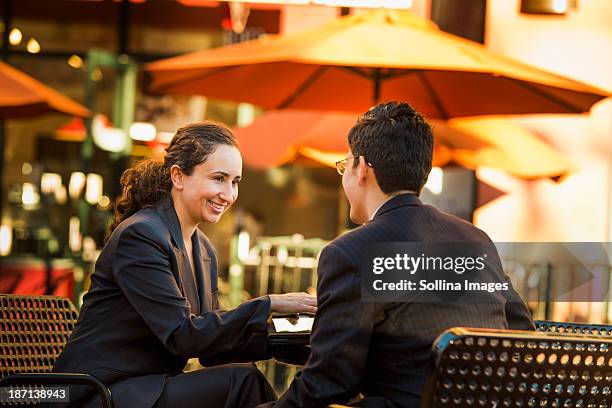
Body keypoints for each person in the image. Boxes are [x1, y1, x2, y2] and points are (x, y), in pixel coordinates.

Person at [260, 102, 534, 408]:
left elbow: (330, 382)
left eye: (344, 165)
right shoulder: (475, 240)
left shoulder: (350, 252)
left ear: (362, 169)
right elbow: (521, 329)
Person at [52, 122, 317, 408]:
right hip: (94, 394)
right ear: (178, 176)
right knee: (240, 382)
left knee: (243, 379)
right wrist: (268, 303)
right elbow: (182, 336)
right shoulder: (140, 235)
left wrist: (291, 336)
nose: (228, 195)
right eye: (218, 179)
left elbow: (211, 346)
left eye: (235, 182)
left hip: (145, 388)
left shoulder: (202, 247)